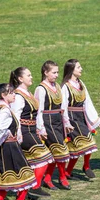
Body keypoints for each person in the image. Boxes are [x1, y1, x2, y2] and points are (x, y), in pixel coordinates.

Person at [0, 83, 36, 200]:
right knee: (27, 174)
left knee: (5, 179)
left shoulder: (1, 106)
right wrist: (8, 136)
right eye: (11, 93)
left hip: (6, 147)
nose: (14, 95)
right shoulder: (5, 110)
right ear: (3, 95)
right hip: (8, 147)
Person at [10, 67, 55, 200]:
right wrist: (18, 134)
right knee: (44, 157)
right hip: (24, 131)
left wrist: (41, 129)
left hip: (32, 130)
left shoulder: (27, 93)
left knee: (34, 161)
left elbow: (38, 113)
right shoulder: (18, 96)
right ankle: (34, 187)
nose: (31, 77)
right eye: (28, 75)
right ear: (20, 78)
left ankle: (28, 188)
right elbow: (16, 117)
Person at [35, 61, 74, 190]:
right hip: (48, 121)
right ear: (45, 73)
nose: (57, 75)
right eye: (54, 72)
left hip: (58, 121)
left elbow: (63, 107)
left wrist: (66, 122)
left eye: (57, 72)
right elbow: (38, 110)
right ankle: (62, 177)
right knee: (61, 150)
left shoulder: (57, 86)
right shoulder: (41, 89)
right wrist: (41, 128)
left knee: (54, 152)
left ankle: (48, 178)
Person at [61, 59, 100, 179]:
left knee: (81, 146)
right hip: (72, 119)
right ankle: (81, 168)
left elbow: (87, 102)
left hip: (82, 118)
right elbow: (63, 106)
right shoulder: (66, 87)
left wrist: (95, 119)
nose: (81, 69)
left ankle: (80, 168)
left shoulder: (81, 84)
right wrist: (66, 122)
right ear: (71, 69)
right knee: (81, 145)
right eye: (78, 67)